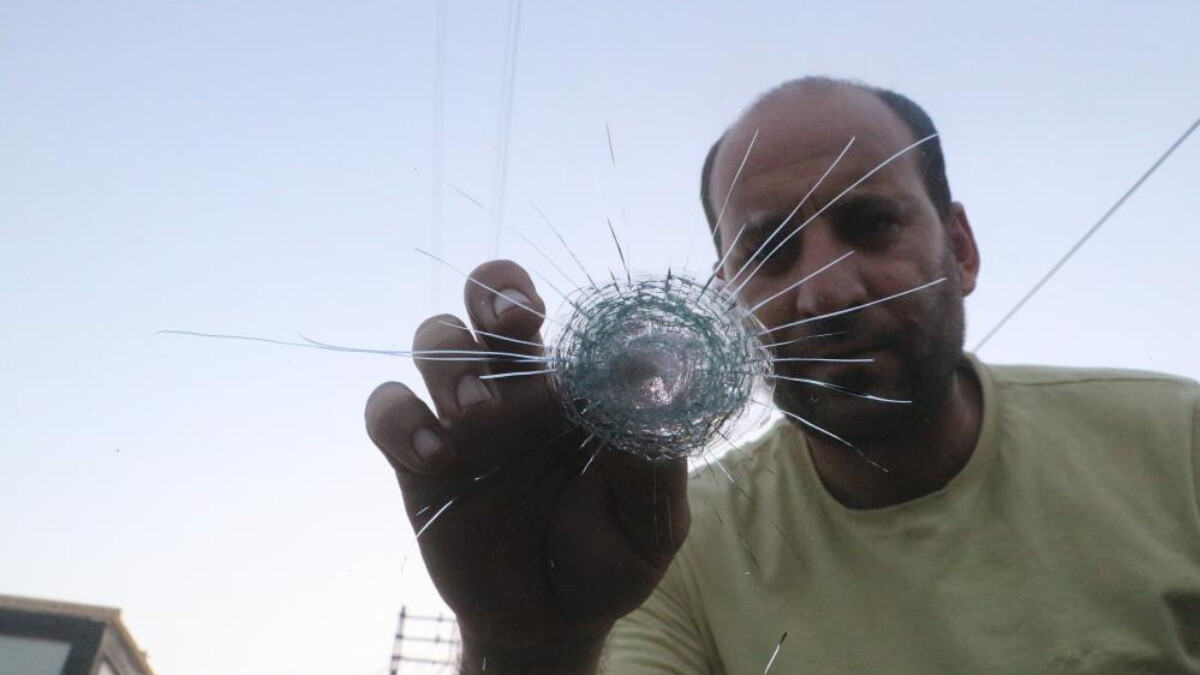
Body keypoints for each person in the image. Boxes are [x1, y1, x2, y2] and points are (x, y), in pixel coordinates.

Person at [365, 77, 1200, 674]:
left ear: (963, 250)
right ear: (726, 300)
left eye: (870, 224)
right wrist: (531, 651)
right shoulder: (658, 545)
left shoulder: (1178, 443)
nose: (827, 289)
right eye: (770, 251)